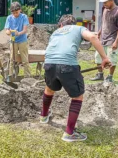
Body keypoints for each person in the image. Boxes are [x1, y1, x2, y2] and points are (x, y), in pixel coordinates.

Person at [40, 14, 110, 142]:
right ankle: (69, 133)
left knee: (49, 88)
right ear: (73, 24)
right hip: (67, 64)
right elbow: (93, 37)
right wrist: (104, 58)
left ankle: (43, 116)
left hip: (49, 64)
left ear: (61, 25)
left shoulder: (55, 32)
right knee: (77, 96)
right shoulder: (78, 28)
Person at [90, 0, 118, 83]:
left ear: (111, 1)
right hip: (103, 39)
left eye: (105, 2)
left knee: (111, 60)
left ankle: (110, 77)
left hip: (112, 40)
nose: (104, 4)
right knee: (98, 57)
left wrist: (116, 42)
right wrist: (99, 33)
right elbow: (104, 23)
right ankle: (100, 75)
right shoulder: (105, 10)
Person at [4, 2, 31, 77]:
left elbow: (25, 30)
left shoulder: (24, 17)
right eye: (13, 13)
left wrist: (18, 33)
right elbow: (6, 30)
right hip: (13, 41)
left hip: (22, 40)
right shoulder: (9, 18)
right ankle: (10, 75)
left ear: (20, 10)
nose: (15, 14)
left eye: (17, 12)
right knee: (12, 59)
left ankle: (27, 76)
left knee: (24, 59)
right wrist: (8, 32)